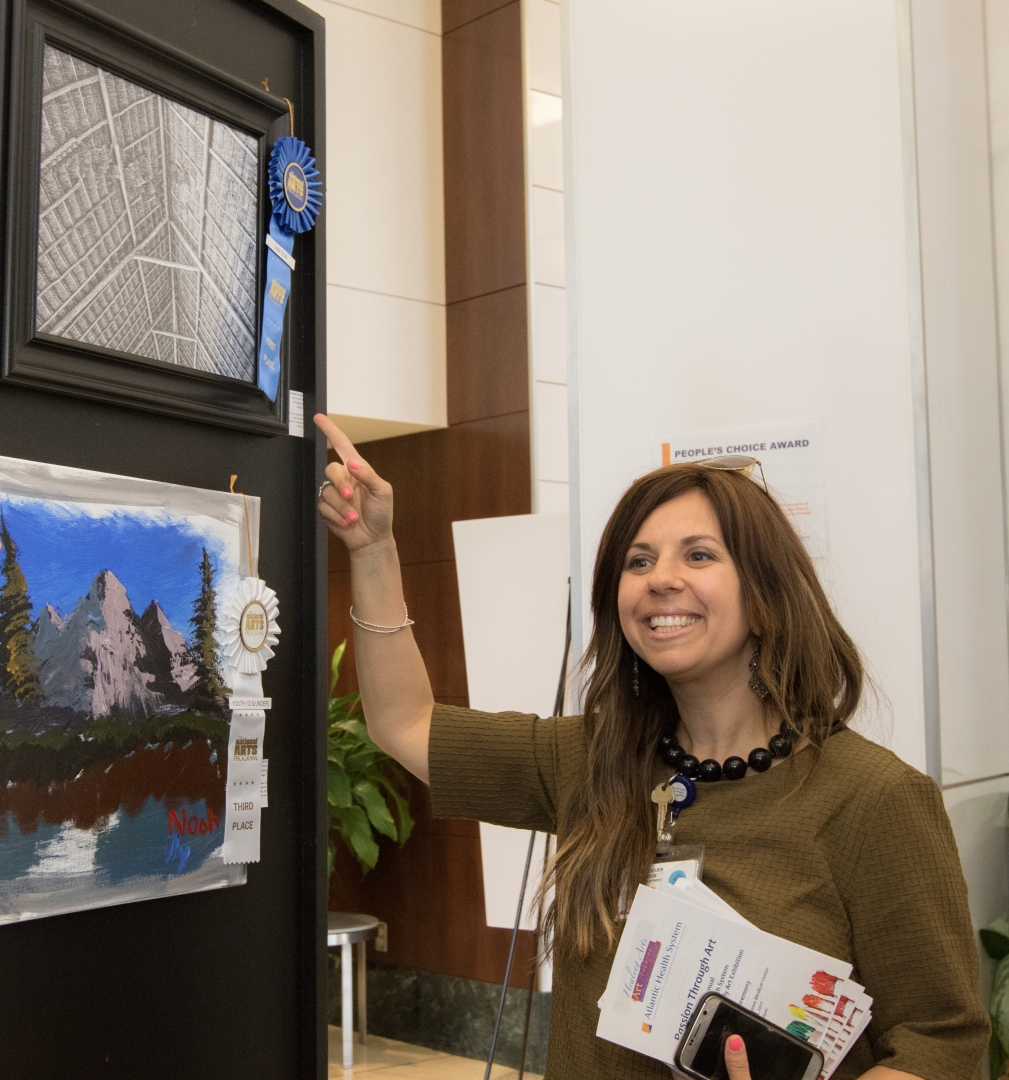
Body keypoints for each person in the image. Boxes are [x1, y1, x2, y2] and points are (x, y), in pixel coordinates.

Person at [313, 413, 987, 1080]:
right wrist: (372, 552)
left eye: (699, 555)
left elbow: (940, 1040)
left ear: (765, 592)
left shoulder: (875, 797)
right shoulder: (591, 758)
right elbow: (405, 724)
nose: (660, 578)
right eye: (639, 561)